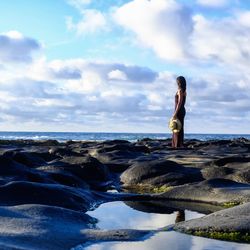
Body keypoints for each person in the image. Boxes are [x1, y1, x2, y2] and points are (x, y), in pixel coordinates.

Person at [172, 76, 187, 148]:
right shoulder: (184, 91)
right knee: (179, 127)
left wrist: (175, 113)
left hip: (179, 110)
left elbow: (179, 103)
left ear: (179, 82)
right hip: (181, 110)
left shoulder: (180, 90)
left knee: (177, 127)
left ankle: (178, 145)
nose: (176, 83)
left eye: (177, 81)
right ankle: (179, 144)